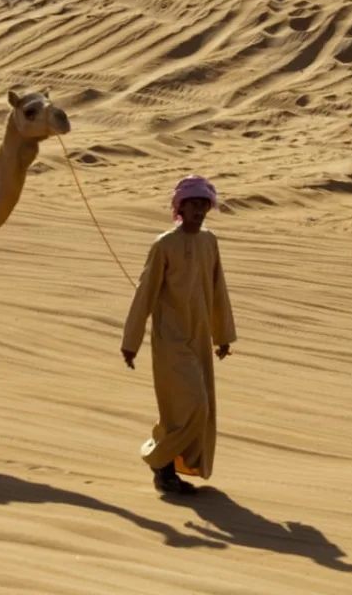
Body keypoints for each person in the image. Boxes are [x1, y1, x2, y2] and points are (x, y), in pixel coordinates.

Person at [121, 175, 237, 496]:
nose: (199, 210)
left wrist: (222, 335)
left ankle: (168, 473)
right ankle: (159, 460)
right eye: (193, 204)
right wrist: (131, 343)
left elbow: (218, 289)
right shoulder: (163, 245)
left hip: (198, 337)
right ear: (180, 208)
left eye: (204, 205)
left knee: (192, 408)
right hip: (170, 340)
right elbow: (144, 294)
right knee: (193, 405)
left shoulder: (209, 242)